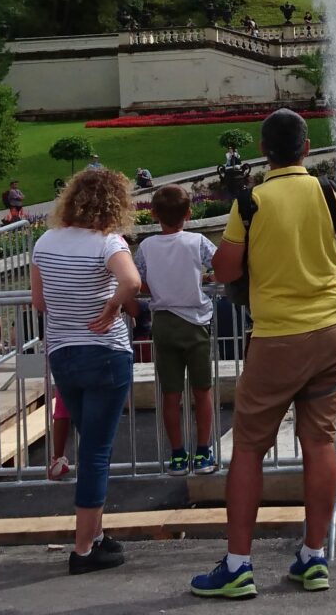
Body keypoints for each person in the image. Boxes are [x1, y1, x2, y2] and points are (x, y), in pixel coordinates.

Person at [190, 108, 336, 599]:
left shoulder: (251, 201)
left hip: (277, 336)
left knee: (248, 447)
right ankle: (313, 556)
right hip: (331, 331)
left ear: (263, 152)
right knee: (320, 442)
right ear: (306, 149)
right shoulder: (331, 193)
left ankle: (239, 564)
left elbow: (224, 270)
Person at [31, 166, 141, 572]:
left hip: (63, 353)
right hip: (105, 352)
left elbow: (39, 302)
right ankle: (83, 549)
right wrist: (112, 306)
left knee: (88, 445)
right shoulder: (107, 242)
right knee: (97, 452)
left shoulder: (45, 242)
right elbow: (131, 282)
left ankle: (94, 534)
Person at [135, 183, 220, 474]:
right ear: (188, 212)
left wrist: (157, 287)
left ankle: (177, 454)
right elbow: (222, 266)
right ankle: (203, 452)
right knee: (202, 391)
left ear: (154, 214)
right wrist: (206, 279)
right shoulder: (198, 242)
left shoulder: (146, 246)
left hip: (164, 322)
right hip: (195, 322)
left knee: (171, 394)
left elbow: (138, 282)